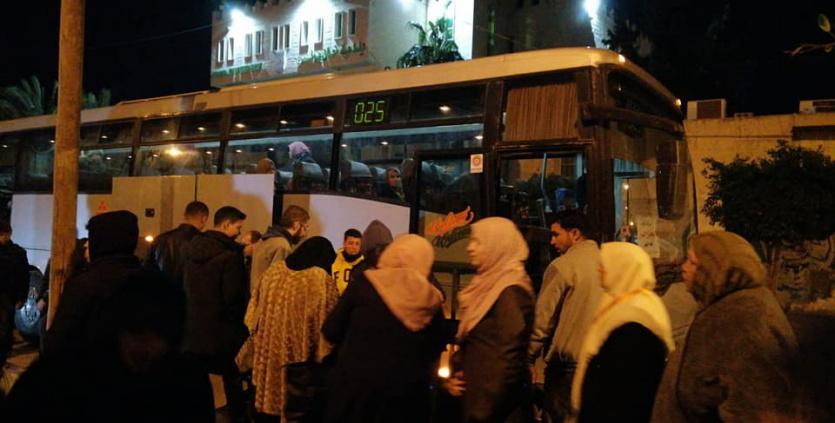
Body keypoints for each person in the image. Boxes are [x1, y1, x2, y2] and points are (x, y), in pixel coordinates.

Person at [5, 270, 214, 423]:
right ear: (118, 326)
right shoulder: (64, 376)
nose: (147, 346)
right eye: (137, 330)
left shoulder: (185, 382)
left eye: (160, 335)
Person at [651, 231, 800, 422]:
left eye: (693, 263)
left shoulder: (740, 319)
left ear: (715, 269)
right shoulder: (727, 308)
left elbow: (751, 403)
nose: (684, 268)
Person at [323, 234, 451, 423]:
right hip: (405, 399)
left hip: (355, 391)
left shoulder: (364, 283)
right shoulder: (431, 299)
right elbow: (435, 346)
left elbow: (331, 330)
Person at [569, 242, 674, 422]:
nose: (600, 270)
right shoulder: (616, 301)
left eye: (605, 264)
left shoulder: (639, 309)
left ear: (620, 266)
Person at [447, 217, 534, 422]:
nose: (470, 248)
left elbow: (509, 358)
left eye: (478, 242)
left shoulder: (511, 291)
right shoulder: (488, 286)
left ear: (497, 245)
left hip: (496, 412)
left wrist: (483, 409)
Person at [528, 210, 604, 423]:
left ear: (575, 234)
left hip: (567, 365)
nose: (551, 241)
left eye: (556, 234)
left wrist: (529, 356)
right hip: (600, 362)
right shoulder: (610, 264)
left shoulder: (562, 266)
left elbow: (543, 319)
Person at [251, 237, 338, 420]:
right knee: (294, 407)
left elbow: (253, 312)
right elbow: (329, 323)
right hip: (298, 359)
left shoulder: (274, 271)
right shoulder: (319, 279)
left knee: (268, 408)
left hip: (268, 351)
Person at [43, 211, 148, 358]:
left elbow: (58, 341)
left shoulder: (84, 285)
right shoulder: (152, 284)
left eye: (91, 238)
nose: (86, 244)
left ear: (102, 242)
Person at [183, 206, 249, 423]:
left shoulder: (191, 251)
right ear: (226, 225)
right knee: (231, 378)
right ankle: (237, 416)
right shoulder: (229, 257)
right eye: (238, 227)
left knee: (197, 379)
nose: (239, 232)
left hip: (194, 328)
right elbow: (233, 298)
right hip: (220, 331)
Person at [144, 201, 209, 287]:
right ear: (204, 219)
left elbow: (147, 268)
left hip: (161, 290)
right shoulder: (204, 242)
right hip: (187, 292)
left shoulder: (160, 239)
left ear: (185, 215)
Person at [250, 205, 309, 296]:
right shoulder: (282, 245)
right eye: (306, 227)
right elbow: (277, 282)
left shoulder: (264, 239)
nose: (306, 233)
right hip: (267, 300)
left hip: (256, 298)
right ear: (296, 225)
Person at [0, 220, 29, 369]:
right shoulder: (18, 253)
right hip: (6, 294)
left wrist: (22, 297)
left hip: (8, 295)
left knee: (5, 327)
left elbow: (24, 277)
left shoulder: (18, 253)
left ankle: (3, 355)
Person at [332, 228, 363, 294]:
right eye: (351, 243)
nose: (354, 247)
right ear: (344, 243)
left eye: (357, 244)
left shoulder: (364, 266)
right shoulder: (334, 260)